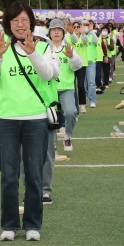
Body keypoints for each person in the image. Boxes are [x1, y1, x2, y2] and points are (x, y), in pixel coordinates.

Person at [0, 1, 59, 242]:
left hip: (36, 119)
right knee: (8, 175)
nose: (20, 24)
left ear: (32, 23)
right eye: (15, 20)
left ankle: (32, 224)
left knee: (34, 175)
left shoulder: (43, 46)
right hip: (6, 118)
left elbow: (48, 74)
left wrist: (32, 53)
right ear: (8, 24)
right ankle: (9, 225)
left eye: (24, 20)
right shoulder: (1, 47)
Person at [49, 18, 82, 154]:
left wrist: (72, 56)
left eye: (59, 30)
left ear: (63, 32)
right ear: (49, 32)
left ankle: (67, 136)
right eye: (53, 30)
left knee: (71, 112)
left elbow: (78, 65)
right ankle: (53, 145)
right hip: (49, 88)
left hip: (67, 87)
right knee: (51, 118)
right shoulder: (45, 48)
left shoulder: (69, 47)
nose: (56, 32)